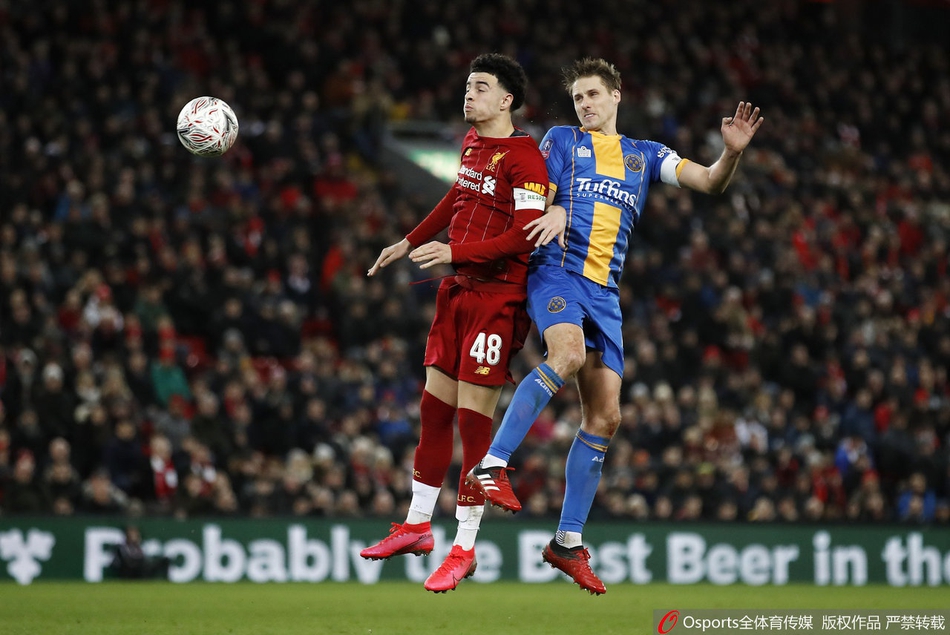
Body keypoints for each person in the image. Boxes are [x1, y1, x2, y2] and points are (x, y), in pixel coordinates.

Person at [467, 57, 764, 594]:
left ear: (616, 96)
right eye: (578, 98)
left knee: (606, 417)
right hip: (556, 272)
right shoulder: (561, 139)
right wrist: (553, 209)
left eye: (592, 96)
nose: (584, 106)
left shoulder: (644, 155)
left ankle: (568, 541)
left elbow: (709, 183)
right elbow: (540, 189)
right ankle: (493, 463)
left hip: (604, 293)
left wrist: (730, 154)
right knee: (566, 355)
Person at [359, 53, 549, 593]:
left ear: (506, 100)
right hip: (458, 293)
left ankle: (463, 547)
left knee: (473, 425)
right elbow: (455, 197)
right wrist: (409, 240)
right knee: (432, 409)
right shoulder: (472, 145)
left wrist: (454, 252)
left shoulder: (524, 158)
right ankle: (418, 525)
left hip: (496, 299)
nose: (469, 95)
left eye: (481, 88)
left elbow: (526, 233)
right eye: (468, 86)